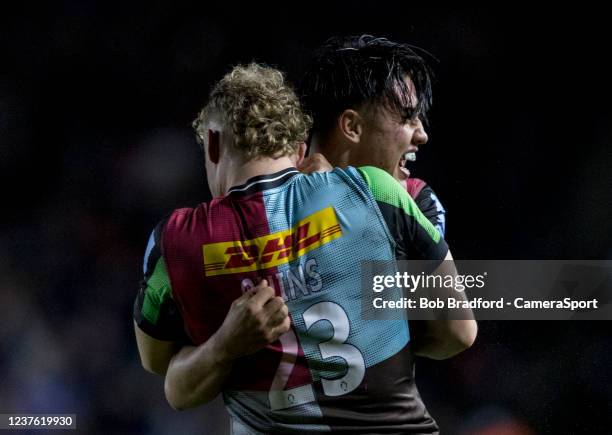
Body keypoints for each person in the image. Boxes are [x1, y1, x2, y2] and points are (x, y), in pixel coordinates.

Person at [134, 63, 475, 433]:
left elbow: (160, 368)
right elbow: (459, 334)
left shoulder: (175, 242)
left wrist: (223, 346)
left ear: (213, 143)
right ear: (299, 149)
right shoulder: (378, 191)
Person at [300, 35, 446, 236]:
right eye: (406, 117)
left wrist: (343, 198)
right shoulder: (275, 201)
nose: (422, 135)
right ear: (352, 126)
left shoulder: (418, 202)